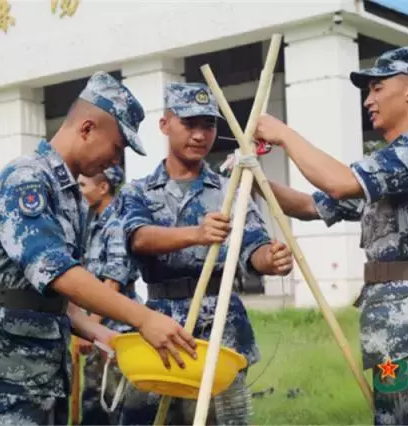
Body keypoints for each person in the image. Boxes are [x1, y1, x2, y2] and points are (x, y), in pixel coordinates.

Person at [0, 71, 197, 426]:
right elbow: (55, 271)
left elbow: (43, 296)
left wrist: (101, 333)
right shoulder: (27, 178)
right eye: (117, 148)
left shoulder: (70, 197)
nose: (116, 162)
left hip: (42, 376)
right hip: (2, 376)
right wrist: (142, 318)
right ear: (86, 129)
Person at [250, 47, 408, 425]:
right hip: (392, 339)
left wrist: (283, 134)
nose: (368, 100)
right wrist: (254, 178)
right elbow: (311, 205)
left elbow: (338, 183)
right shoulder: (389, 166)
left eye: (376, 88)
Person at [118, 82, 294, 425]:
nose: (200, 135)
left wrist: (270, 260)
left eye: (208, 125)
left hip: (221, 331)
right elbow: (138, 238)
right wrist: (195, 234)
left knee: (224, 419)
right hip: (161, 327)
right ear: (165, 124)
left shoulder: (230, 191)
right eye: (190, 124)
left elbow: (253, 247)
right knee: (150, 418)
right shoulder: (138, 191)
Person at [77, 165, 142, 425]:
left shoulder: (116, 225)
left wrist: (90, 326)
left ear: (103, 188)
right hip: (98, 328)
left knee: (114, 404)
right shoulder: (94, 223)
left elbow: (112, 284)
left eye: (83, 186)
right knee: (94, 406)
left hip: (116, 333)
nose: (79, 191)